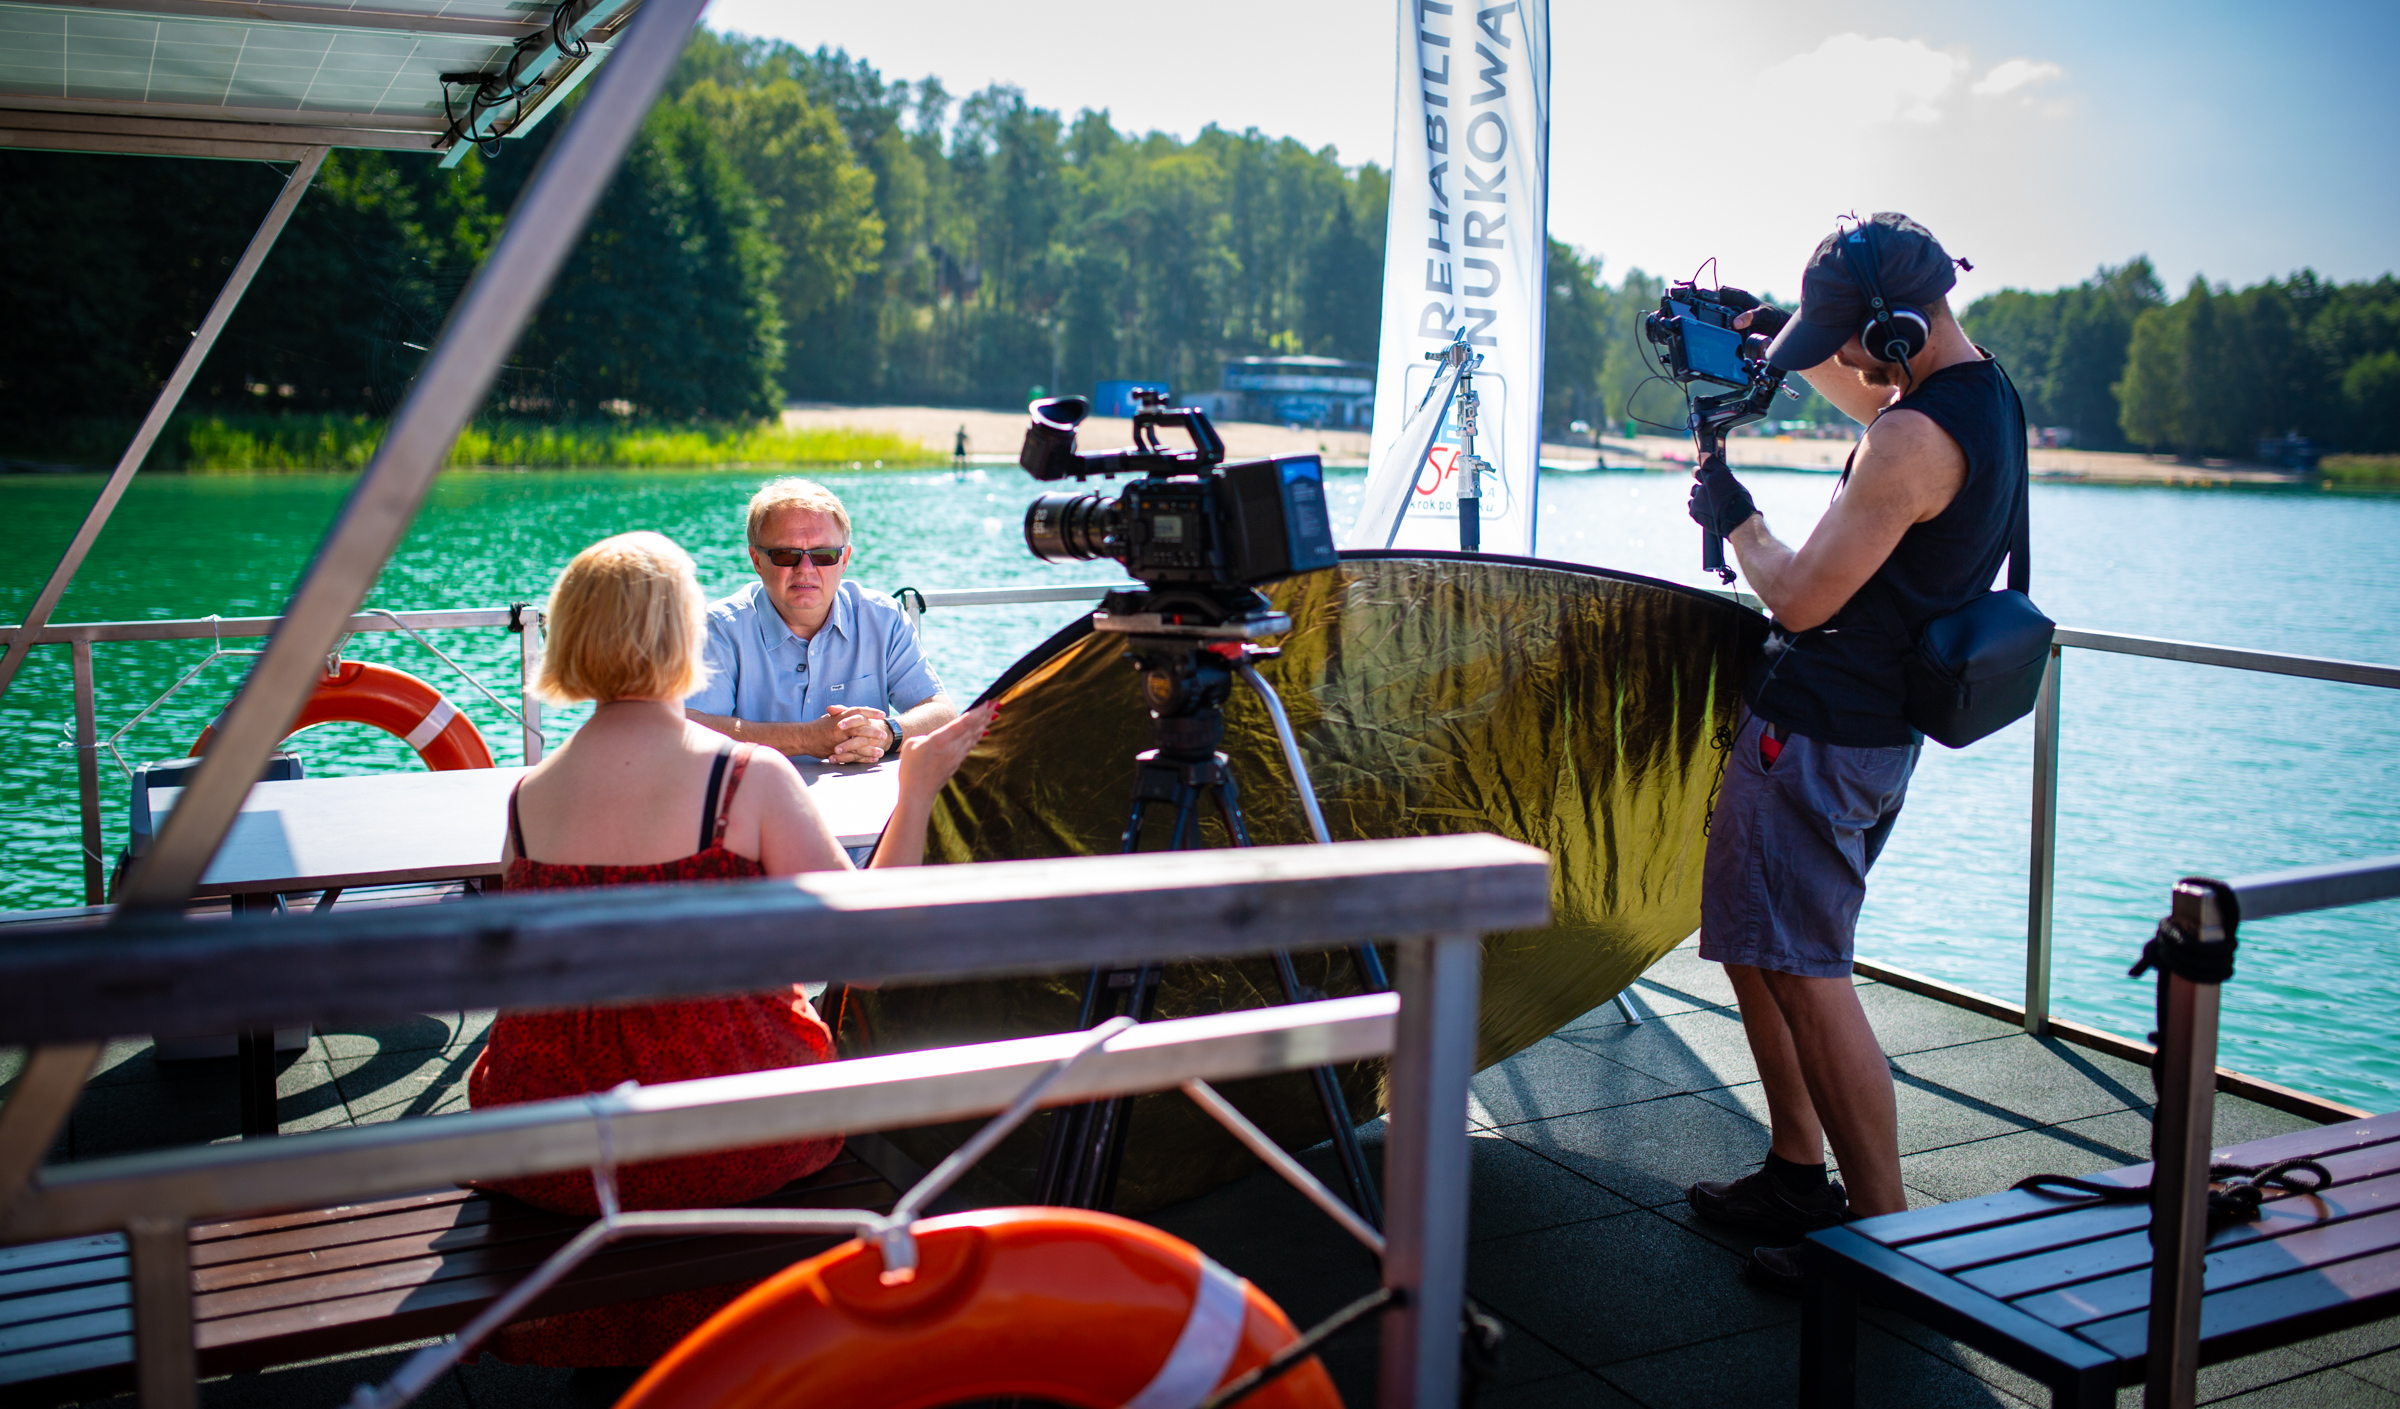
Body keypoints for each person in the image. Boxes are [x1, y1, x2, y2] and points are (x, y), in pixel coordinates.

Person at [469, 530, 994, 1367]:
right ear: (685, 636)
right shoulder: (742, 779)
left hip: (549, 1137)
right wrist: (919, 783)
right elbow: (868, 961)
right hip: (722, 1130)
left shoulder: (528, 795)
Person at [1678, 213, 2025, 1291]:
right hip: (1863, 731)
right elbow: (1873, 395)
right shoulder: (1977, 394)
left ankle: (1883, 1240)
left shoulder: (1909, 440)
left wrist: (1736, 515)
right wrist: (1777, 338)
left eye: (1844, 334)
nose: (1840, 356)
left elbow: (1798, 594)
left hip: (1820, 734)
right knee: (1759, 946)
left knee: (1810, 974)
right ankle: (1796, 1170)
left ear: (1893, 327)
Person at [685, 478, 959, 765]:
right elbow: (689, 730)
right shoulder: (718, 629)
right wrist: (805, 739)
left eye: (823, 555)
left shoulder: (883, 618)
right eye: (786, 555)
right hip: (755, 793)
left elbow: (941, 712)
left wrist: (886, 733)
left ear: (844, 560)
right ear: (757, 560)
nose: (805, 569)